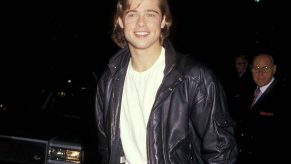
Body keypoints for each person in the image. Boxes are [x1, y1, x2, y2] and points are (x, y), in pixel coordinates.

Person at [94, 0, 237, 163]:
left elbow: (221, 154)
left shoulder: (195, 78)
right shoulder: (108, 81)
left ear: (163, 20)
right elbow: (106, 149)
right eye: (132, 14)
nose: (141, 23)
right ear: (120, 21)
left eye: (150, 14)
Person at [241, 53, 288, 163]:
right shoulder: (248, 90)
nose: (260, 72)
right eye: (256, 68)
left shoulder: (283, 95)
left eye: (265, 68)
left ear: (274, 69)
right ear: (251, 70)